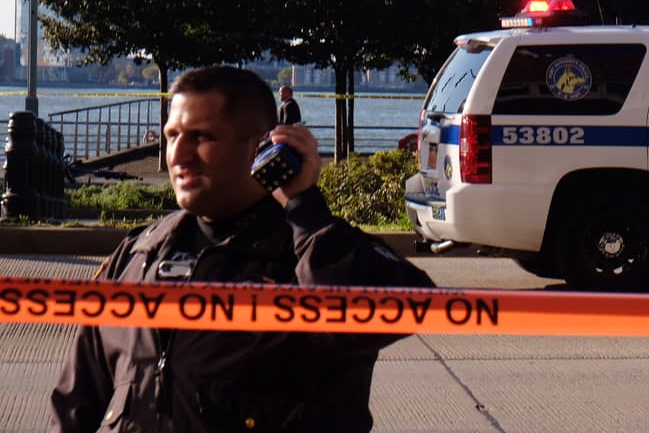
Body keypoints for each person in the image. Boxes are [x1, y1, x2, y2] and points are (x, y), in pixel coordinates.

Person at [50, 65, 434, 432]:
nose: (177, 156)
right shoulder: (138, 255)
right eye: (171, 136)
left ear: (260, 146)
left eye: (201, 137)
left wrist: (304, 209)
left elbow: (408, 310)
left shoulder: (309, 253)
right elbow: (75, 404)